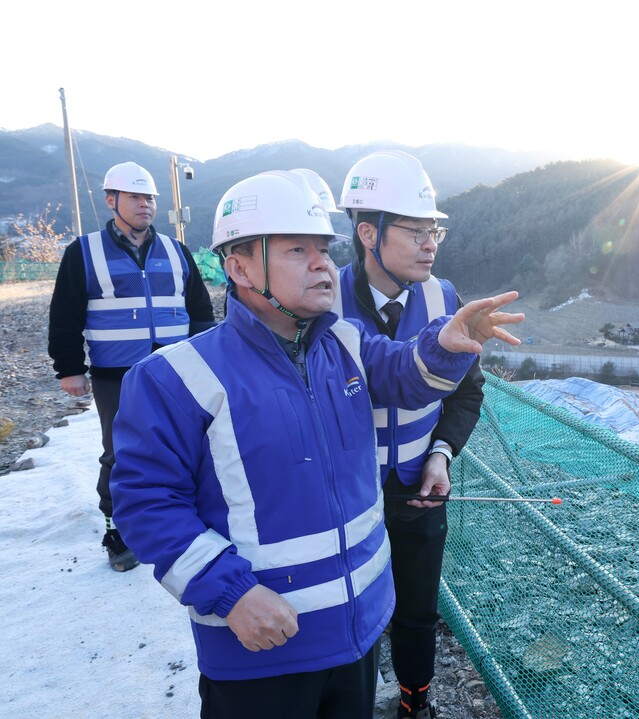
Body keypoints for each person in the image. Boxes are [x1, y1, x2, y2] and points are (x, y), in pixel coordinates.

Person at [108, 170, 523, 719]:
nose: (322, 264)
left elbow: (405, 373)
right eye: (296, 250)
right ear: (239, 268)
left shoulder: (345, 343)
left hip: (356, 635)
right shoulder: (175, 378)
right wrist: (229, 593)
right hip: (261, 648)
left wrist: (445, 345)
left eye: (324, 249)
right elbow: (145, 503)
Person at [336, 150, 482, 719]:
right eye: (416, 231)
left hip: (421, 487)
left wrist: (441, 454)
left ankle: (414, 702)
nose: (430, 244)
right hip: (346, 496)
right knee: (350, 611)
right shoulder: (322, 304)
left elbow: (467, 392)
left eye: (434, 231)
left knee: (417, 610)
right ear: (368, 234)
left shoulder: (445, 298)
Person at [47, 161, 215, 572]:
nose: (145, 205)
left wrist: (211, 359)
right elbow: (65, 314)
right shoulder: (84, 252)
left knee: (191, 444)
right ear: (111, 200)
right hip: (116, 374)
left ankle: (188, 518)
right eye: (135, 197)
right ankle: (118, 532)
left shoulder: (176, 250)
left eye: (149, 198)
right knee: (121, 452)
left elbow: (199, 310)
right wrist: (69, 368)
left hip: (176, 370)